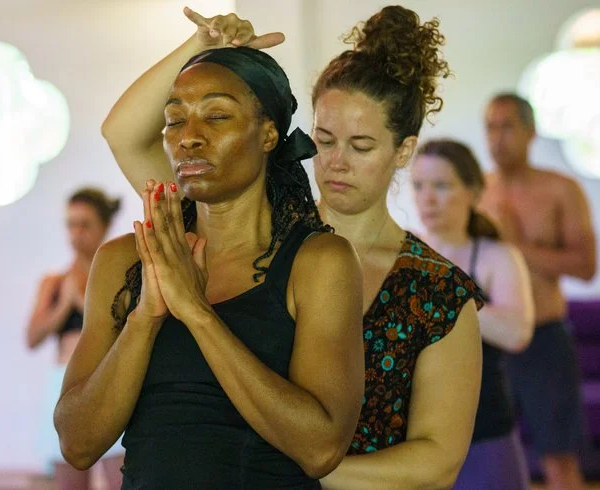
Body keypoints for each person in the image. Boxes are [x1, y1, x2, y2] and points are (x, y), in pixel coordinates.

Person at [112, 7, 484, 489]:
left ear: (404, 150)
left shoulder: (436, 290)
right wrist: (204, 50)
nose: (336, 162)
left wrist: (291, 463)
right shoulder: (242, 229)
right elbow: (124, 135)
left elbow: (436, 463)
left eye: (361, 146)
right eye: (324, 140)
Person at [54, 10, 365, 489]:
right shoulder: (126, 261)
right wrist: (145, 318)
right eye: (175, 120)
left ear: (268, 134)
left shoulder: (319, 262)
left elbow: (320, 448)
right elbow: (77, 445)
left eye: (217, 116)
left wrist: (197, 313)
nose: (189, 137)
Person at [480, 92, 597, 490]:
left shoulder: (560, 189)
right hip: (490, 340)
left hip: (545, 339)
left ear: (531, 133)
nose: (497, 139)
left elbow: (586, 266)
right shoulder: (477, 191)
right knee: (488, 454)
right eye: (490, 128)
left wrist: (515, 245)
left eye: (507, 127)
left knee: (560, 460)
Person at [412, 139, 534, 490]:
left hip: (484, 430)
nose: (427, 198)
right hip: (413, 433)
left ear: (474, 192)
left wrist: (439, 297)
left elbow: (517, 332)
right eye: (418, 186)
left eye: (441, 186)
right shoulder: (402, 249)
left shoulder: (497, 256)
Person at [25, 188, 123, 490]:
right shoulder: (55, 282)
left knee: (121, 476)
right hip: (64, 383)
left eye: (85, 224)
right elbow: (32, 338)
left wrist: (83, 301)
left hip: (109, 381)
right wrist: (64, 305)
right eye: (71, 224)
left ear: (104, 226)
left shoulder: (121, 276)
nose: (77, 233)